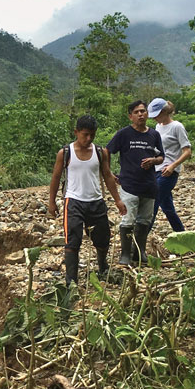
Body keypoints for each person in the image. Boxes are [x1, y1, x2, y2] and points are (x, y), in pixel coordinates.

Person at [48, 114, 127, 285]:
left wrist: (118, 200)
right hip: (73, 201)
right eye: (85, 134)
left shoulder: (100, 152)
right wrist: (51, 202)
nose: (88, 138)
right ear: (76, 132)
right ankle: (71, 281)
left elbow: (107, 176)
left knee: (102, 238)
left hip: (96, 200)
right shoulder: (65, 152)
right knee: (72, 241)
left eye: (92, 134)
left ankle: (102, 267)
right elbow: (55, 177)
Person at [106, 100, 164, 265]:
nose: (141, 114)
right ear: (130, 116)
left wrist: (153, 161)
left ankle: (140, 252)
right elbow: (107, 151)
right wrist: (109, 172)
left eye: (143, 111)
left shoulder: (154, 135)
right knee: (128, 220)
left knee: (145, 221)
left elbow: (161, 157)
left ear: (147, 114)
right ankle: (125, 254)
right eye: (137, 112)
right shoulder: (124, 134)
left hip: (149, 185)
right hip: (129, 185)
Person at [149, 98, 191, 232]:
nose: (154, 118)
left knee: (152, 203)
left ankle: (139, 241)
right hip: (156, 170)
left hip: (169, 173)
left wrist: (173, 165)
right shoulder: (158, 127)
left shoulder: (177, 127)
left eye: (157, 114)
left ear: (165, 112)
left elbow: (187, 151)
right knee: (168, 208)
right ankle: (183, 236)